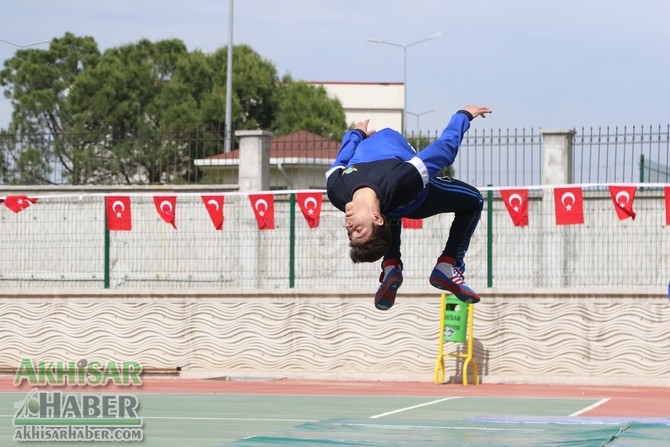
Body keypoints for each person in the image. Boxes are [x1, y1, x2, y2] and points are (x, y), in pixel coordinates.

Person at [326, 105, 492, 310]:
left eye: (349, 233)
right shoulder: (402, 179)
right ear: (376, 218)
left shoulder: (336, 191)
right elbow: (444, 150)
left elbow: (342, 158)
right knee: (474, 200)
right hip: (420, 199)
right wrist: (463, 116)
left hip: (390, 206)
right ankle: (448, 264)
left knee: (386, 208)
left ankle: (391, 266)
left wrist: (356, 134)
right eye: (358, 230)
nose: (349, 225)